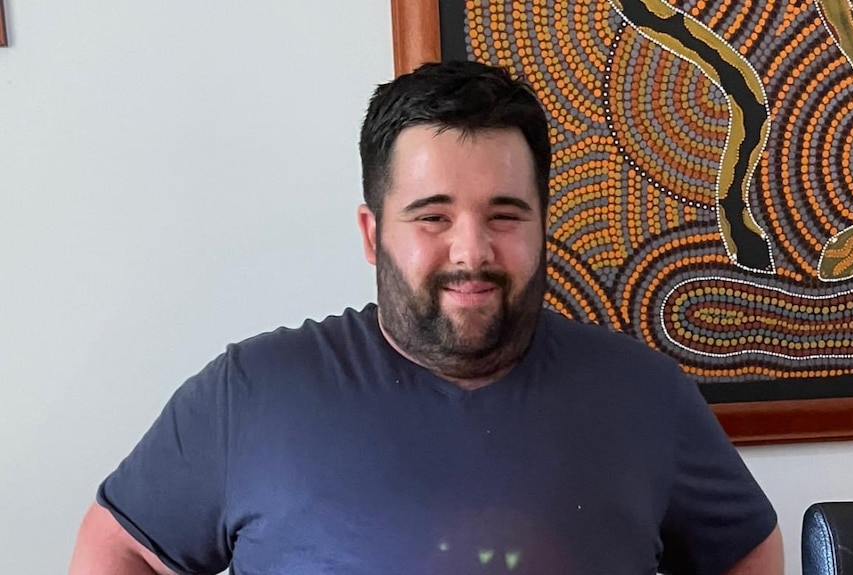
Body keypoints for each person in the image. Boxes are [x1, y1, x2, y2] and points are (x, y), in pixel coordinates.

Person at [69, 60, 783, 574]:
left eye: (506, 215)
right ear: (371, 231)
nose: (471, 251)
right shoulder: (250, 392)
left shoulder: (646, 393)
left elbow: (746, 547)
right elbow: (122, 546)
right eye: (431, 216)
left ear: (542, 225)